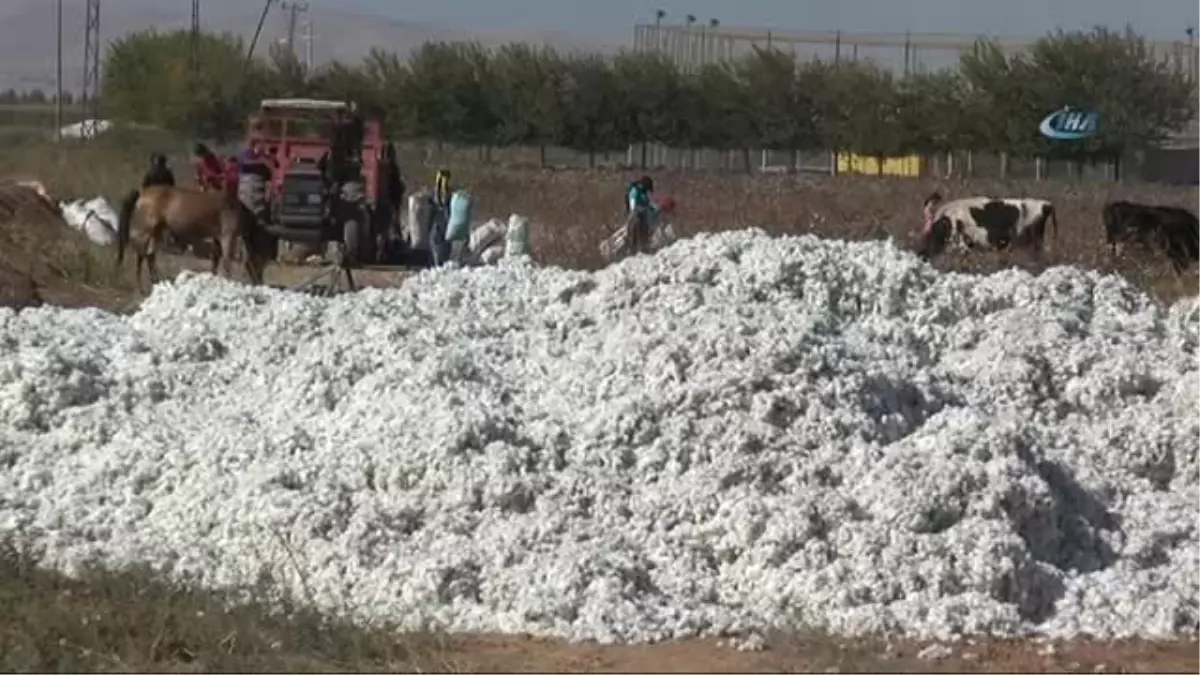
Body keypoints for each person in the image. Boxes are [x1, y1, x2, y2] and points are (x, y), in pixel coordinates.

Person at [624, 175, 657, 256]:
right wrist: (639, 210)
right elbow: (633, 205)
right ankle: (632, 251)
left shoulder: (643, 192)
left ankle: (645, 248)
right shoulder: (635, 191)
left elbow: (647, 203)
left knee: (645, 232)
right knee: (634, 233)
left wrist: (653, 208)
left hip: (643, 216)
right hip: (635, 216)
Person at [428, 169, 453, 266]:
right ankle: (441, 181)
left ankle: (441, 180)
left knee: (436, 240)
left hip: (441, 218)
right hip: (443, 218)